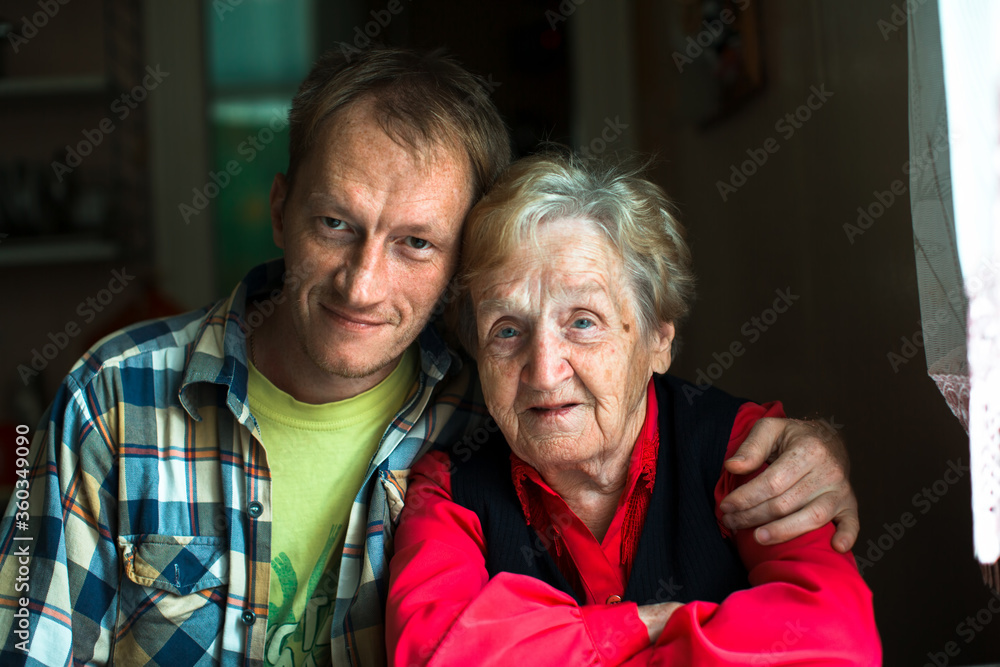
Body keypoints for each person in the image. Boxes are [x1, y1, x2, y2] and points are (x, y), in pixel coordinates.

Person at [1, 48, 857, 667]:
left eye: (415, 242)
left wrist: (816, 446)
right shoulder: (109, 397)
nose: (363, 283)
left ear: (458, 273)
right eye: (335, 224)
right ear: (280, 210)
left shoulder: (499, 405)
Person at [386, 152, 881, 665]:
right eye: (507, 330)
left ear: (658, 338)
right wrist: (649, 623)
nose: (544, 370)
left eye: (582, 322)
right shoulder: (449, 490)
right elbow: (432, 655)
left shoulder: (743, 451)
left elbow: (837, 641)